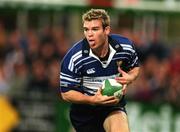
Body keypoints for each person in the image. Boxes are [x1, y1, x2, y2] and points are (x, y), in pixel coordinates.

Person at [60, 8, 140, 132]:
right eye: (86, 29)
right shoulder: (75, 57)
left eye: (95, 29)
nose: (89, 34)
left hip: (112, 107)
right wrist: (92, 100)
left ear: (106, 30)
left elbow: (135, 67)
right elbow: (66, 93)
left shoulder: (125, 47)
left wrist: (131, 78)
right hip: (85, 112)